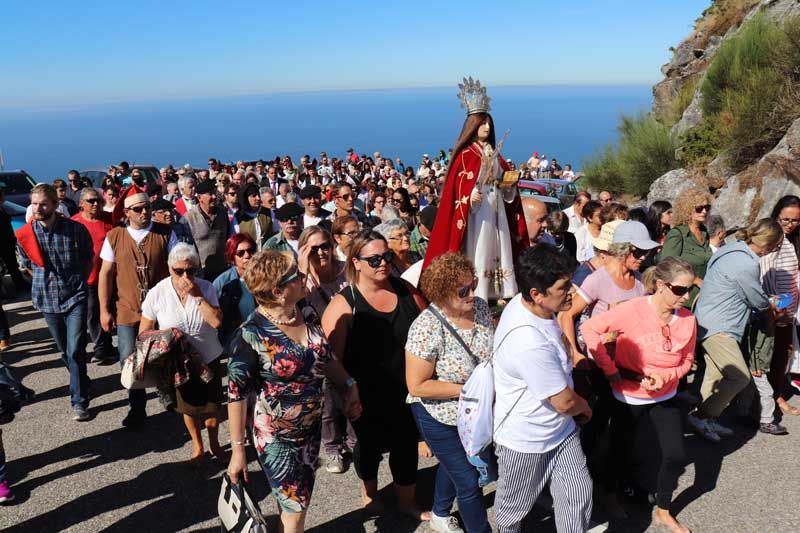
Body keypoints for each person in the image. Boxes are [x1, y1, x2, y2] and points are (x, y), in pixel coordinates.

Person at [226, 250, 361, 533]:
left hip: (309, 432)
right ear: (277, 291)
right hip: (276, 438)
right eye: (295, 277)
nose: (303, 278)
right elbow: (236, 394)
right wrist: (238, 451)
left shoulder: (306, 311)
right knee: (295, 509)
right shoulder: (250, 334)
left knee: (295, 503)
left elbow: (326, 358)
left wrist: (349, 384)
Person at [581, 257, 696, 533]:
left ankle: (664, 510)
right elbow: (590, 329)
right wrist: (609, 370)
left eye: (690, 289)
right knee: (620, 451)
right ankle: (609, 495)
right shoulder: (633, 309)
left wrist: (665, 377)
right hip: (629, 395)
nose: (686, 296)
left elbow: (687, 361)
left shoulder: (688, 319)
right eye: (680, 290)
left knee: (675, 455)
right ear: (660, 285)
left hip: (664, 394)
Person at [322, 231, 430, 520]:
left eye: (387, 257)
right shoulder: (344, 304)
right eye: (374, 259)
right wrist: (346, 392)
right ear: (356, 262)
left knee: (405, 444)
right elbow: (331, 358)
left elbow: (430, 329)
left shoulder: (406, 289)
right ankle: (369, 493)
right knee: (368, 448)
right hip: (364, 392)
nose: (382, 263)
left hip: (407, 387)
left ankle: (406, 501)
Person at [493, 244, 593, 533]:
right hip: (526, 441)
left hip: (559, 432)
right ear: (536, 293)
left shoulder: (535, 307)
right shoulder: (527, 342)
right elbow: (563, 402)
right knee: (512, 513)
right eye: (563, 287)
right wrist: (584, 406)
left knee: (578, 496)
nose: (572, 292)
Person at [406, 253, 493, 533]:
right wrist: (468, 391)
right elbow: (417, 385)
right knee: (468, 480)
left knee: (454, 462)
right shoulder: (426, 327)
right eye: (463, 290)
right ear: (442, 293)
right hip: (438, 415)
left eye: (474, 285)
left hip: (473, 412)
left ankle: (440, 513)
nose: (472, 294)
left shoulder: (479, 308)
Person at [423, 78, 529, 301]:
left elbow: (502, 181)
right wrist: (470, 196)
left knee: (500, 245)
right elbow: (459, 187)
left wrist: (509, 186)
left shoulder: (494, 153)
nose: (487, 128)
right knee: (480, 247)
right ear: (472, 126)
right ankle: (480, 290)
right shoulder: (466, 155)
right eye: (482, 124)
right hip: (477, 211)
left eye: (489, 124)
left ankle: (500, 290)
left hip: (496, 206)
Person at [689, 219, 784, 441]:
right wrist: (771, 305)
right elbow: (757, 301)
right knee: (739, 377)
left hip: (706, 320)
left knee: (713, 376)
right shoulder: (746, 263)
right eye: (777, 245)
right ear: (769, 244)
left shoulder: (731, 249)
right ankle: (701, 416)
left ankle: (706, 422)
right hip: (721, 326)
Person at [99, 189, 178, 428]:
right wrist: (104, 309)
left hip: (161, 309)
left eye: (147, 208)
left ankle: (170, 399)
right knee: (128, 360)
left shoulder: (165, 234)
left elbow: (177, 268)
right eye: (138, 209)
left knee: (165, 356)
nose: (145, 212)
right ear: (126, 213)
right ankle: (137, 408)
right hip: (127, 309)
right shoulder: (114, 236)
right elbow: (106, 274)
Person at [139, 243, 224, 462]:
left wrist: (197, 295)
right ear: (170, 269)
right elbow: (144, 331)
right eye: (179, 271)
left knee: (213, 408)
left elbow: (215, 321)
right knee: (189, 408)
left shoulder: (206, 288)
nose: (185, 275)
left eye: (191, 270)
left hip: (208, 357)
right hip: (179, 363)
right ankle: (198, 446)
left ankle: (215, 444)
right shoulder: (157, 293)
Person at [16, 184, 93, 421]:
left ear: (55, 205)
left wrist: (78, 281)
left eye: (43, 204)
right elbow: (26, 266)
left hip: (75, 297)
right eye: (34, 204)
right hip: (47, 299)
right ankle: (80, 378)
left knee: (76, 349)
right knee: (64, 351)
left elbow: (88, 258)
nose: (38, 208)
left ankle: (79, 401)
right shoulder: (26, 234)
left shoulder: (76, 230)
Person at [296, 226, 353, 473]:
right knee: (327, 400)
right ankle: (330, 447)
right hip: (321, 350)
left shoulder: (345, 270)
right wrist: (301, 266)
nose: (321, 252)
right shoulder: (302, 281)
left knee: (353, 391)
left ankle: (353, 440)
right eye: (313, 248)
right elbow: (293, 308)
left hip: (352, 341)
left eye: (325, 246)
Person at [559, 220, 655, 358]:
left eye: (646, 252)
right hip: (601, 362)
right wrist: (574, 354)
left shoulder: (640, 280)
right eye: (638, 252)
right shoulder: (598, 279)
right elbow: (567, 315)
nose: (643, 257)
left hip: (630, 360)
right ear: (623, 249)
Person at [763, 196, 800, 416]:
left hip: (790, 309)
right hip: (775, 308)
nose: (789, 224)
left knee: (782, 354)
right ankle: (771, 399)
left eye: (795, 220)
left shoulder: (793, 239)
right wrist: (777, 306)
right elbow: (766, 278)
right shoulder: (773, 240)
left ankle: (776, 395)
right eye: (785, 219)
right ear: (776, 215)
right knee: (770, 356)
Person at [71, 188, 116, 365]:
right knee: (92, 313)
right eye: (91, 200)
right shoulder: (74, 223)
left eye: (98, 200)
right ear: (81, 203)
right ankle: (100, 347)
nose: (96, 203)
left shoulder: (109, 220)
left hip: (110, 275)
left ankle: (107, 344)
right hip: (87, 278)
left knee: (109, 309)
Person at [660, 187, 713, 308]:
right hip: (683, 300)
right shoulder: (678, 234)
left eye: (707, 208)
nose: (704, 211)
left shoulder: (705, 232)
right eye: (699, 208)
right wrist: (695, 280)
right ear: (688, 209)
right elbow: (667, 265)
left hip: (704, 297)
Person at [213, 234, 257, 346]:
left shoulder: (265, 277)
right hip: (236, 338)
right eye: (240, 253)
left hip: (263, 333)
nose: (247, 256)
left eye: (250, 250)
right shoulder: (222, 282)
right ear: (232, 257)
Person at [183, 179, 230, 281]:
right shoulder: (189, 218)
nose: (214, 197)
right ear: (200, 198)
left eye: (214, 193)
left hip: (222, 271)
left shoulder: (222, 214)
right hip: (201, 273)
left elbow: (228, 238)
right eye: (210, 194)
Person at [235, 182, 274, 249]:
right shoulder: (238, 217)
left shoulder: (269, 213)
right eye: (253, 196)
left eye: (258, 195)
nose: (258, 198)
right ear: (246, 199)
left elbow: (276, 234)